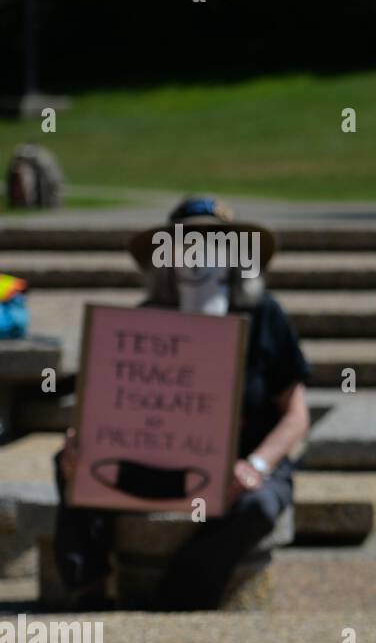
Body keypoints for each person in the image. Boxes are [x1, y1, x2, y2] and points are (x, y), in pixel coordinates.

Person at [53, 195, 312, 609]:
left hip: (243, 467)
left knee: (261, 504)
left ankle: (178, 598)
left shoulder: (266, 317)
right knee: (71, 463)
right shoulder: (143, 320)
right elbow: (108, 406)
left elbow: (296, 415)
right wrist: (82, 441)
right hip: (161, 465)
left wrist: (258, 465)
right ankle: (88, 588)